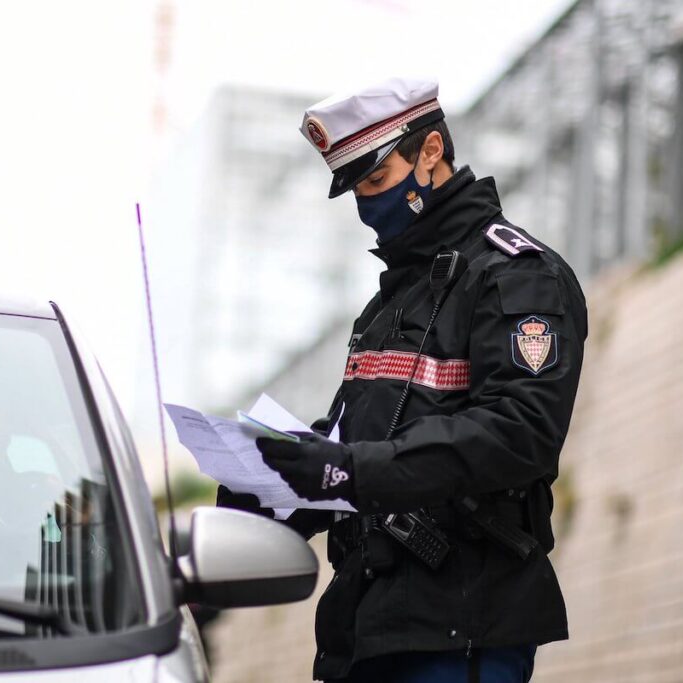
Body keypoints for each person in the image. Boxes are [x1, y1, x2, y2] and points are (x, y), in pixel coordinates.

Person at [217, 77, 587, 683]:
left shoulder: (517, 277)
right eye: (357, 189)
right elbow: (351, 439)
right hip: (364, 630)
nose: (367, 206)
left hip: (460, 633)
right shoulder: (389, 306)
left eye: (377, 181)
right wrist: (272, 484)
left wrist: (349, 469)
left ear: (432, 151)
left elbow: (520, 433)